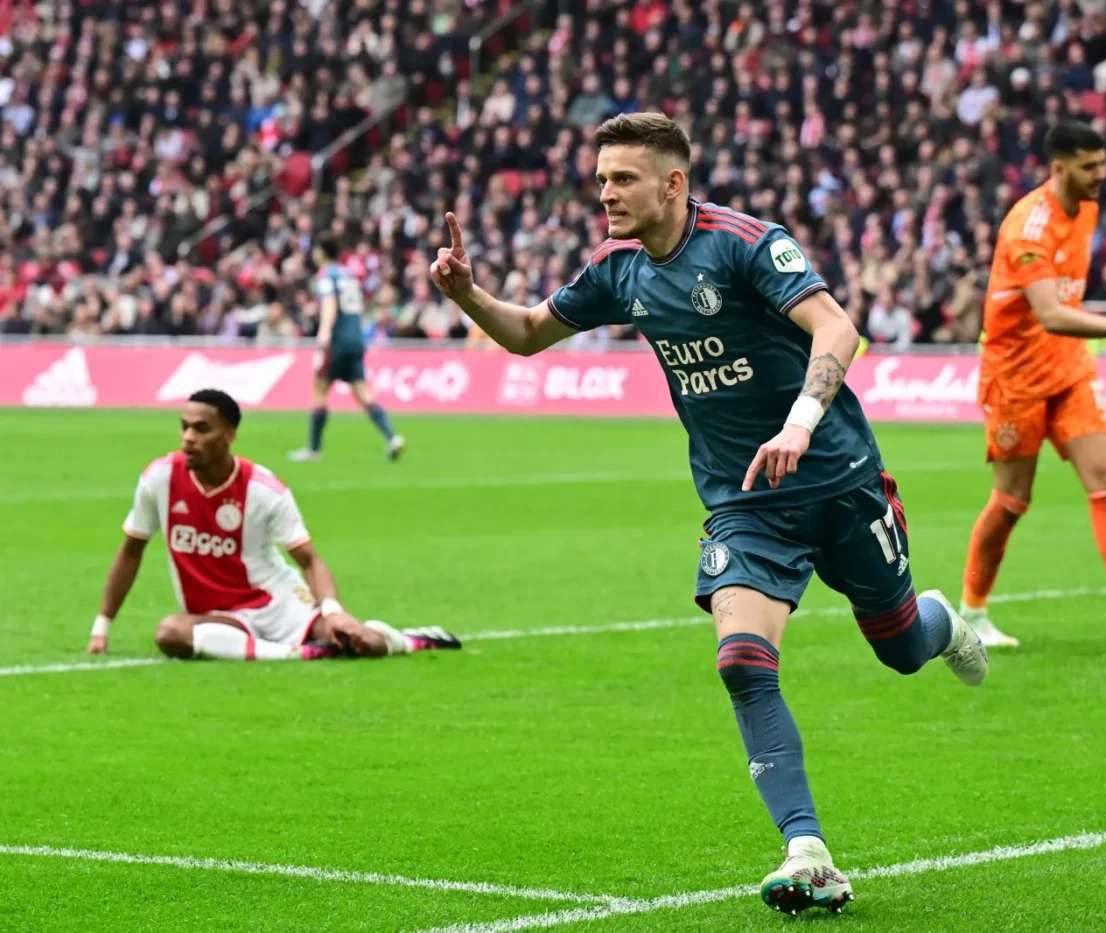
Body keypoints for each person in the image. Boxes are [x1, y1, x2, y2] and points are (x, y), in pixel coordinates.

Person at [429, 112, 987, 916]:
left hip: (838, 479)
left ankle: (940, 620)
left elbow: (837, 325)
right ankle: (808, 850)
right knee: (742, 661)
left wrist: (799, 423)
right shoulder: (618, 267)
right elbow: (524, 334)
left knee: (900, 648)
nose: (606, 193)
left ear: (672, 183)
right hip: (744, 502)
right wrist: (467, 294)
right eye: (601, 178)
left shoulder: (746, 244)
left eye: (622, 178)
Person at [960, 121, 1106, 652]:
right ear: (1059, 167)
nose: (1101, 174)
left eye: (1103, 163)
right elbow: (1050, 312)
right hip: (1015, 375)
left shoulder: (1086, 209)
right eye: (1089, 167)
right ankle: (971, 611)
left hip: (1068, 367)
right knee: (1011, 499)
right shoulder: (1029, 228)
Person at [87, 389, 459, 660]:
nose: (188, 438)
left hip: (279, 606)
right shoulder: (160, 478)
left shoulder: (264, 490)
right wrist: (102, 627)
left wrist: (333, 610)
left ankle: (410, 640)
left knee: (363, 643)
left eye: (201, 429)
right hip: (219, 617)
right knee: (171, 633)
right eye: (184, 427)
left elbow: (309, 560)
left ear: (229, 435)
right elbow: (131, 551)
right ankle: (295, 655)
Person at [288, 235, 406, 462]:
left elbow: (330, 305)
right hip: (355, 339)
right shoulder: (349, 275)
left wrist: (323, 334)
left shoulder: (326, 276)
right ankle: (392, 437)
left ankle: (313, 449)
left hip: (336, 341)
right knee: (362, 392)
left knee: (320, 390)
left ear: (322, 252)